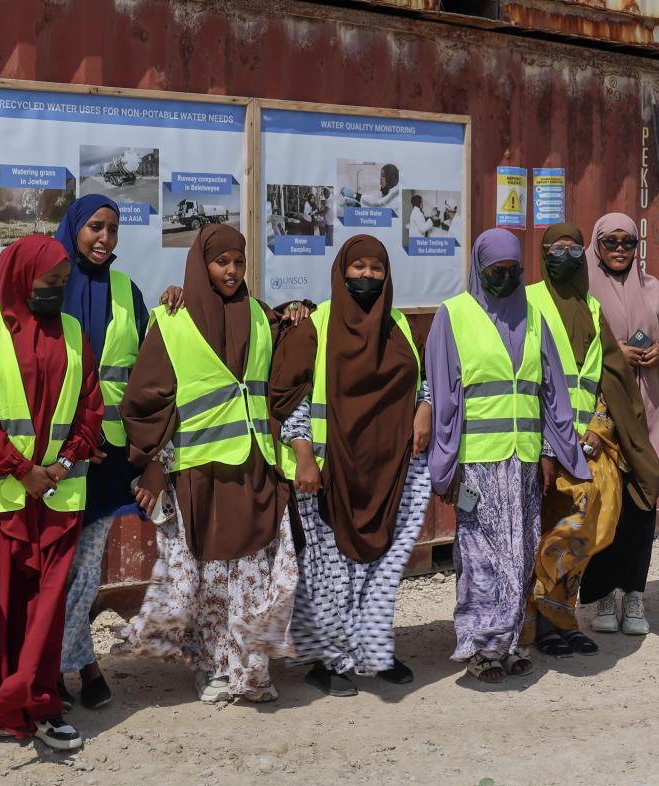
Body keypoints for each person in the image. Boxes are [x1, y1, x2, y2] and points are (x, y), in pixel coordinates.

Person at [113, 224, 298, 704]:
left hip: (255, 469)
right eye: (221, 262)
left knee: (255, 577)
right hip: (201, 473)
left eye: (239, 262)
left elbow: (286, 363)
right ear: (202, 264)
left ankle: (252, 672)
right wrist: (155, 463)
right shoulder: (171, 320)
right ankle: (212, 668)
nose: (231, 271)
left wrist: (302, 310)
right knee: (211, 581)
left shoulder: (259, 315)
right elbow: (148, 401)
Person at [0, 234, 103, 750]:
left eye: (63, 281)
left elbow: (90, 407)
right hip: (0, 498)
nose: (57, 290)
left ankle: (40, 702)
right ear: (21, 277)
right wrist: (23, 470)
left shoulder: (74, 331)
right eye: (49, 280)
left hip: (59, 498)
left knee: (46, 610)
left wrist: (60, 465)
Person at [427, 228, 590, 683]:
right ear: (479, 269)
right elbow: (444, 398)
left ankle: (510, 640)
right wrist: (447, 464)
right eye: (495, 271)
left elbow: (551, 391)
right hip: (477, 464)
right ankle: (481, 648)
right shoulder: (453, 316)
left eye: (513, 270)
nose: (505, 278)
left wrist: (549, 451)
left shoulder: (534, 318)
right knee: (481, 559)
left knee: (519, 555)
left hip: (522, 464)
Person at [271, 235, 431, 696]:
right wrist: (304, 454)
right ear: (341, 271)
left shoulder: (398, 325)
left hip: (388, 470)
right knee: (328, 572)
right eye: (358, 267)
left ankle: (373, 652)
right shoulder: (315, 325)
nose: (367, 275)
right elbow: (288, 398)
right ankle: (327, 661)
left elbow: (423, 380)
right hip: (328, 471)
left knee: (379, 571)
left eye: (376, 268)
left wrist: (425, 408)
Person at [524, 223, 659, 657]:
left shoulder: (591, 305)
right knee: (547, 531)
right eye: (556, 249)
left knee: (584, 529)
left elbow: (609, 378)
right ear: (543, 253)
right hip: (542, 442)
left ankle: (563, 618)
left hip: (586, 443)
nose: (565, 257)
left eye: (572, 249)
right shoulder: (528, 302)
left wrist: (600, 428)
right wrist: (551, 438)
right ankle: (540, 623)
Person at [52, 194, 150, 713]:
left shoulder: (127, 290)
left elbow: (148, 369)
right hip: (53, 456)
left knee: (86, 571)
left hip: (106, 457)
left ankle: (77, 663)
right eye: (95, 227)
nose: (105, 238)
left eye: (113, 229)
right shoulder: (49, 281)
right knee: (53, 569)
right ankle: (66, 665)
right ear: (74, 227)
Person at [579, 213, 659, 635]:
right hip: (604, 414)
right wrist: (612, 350)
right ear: (596, 245)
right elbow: (573, 347)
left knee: (641, 506)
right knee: (605, 506)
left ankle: (634, 594)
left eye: (628, 243)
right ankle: (603, 595)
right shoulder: (583, 289)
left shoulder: (654, 288)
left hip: (647, 411)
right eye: (611, 242)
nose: (620, 250)